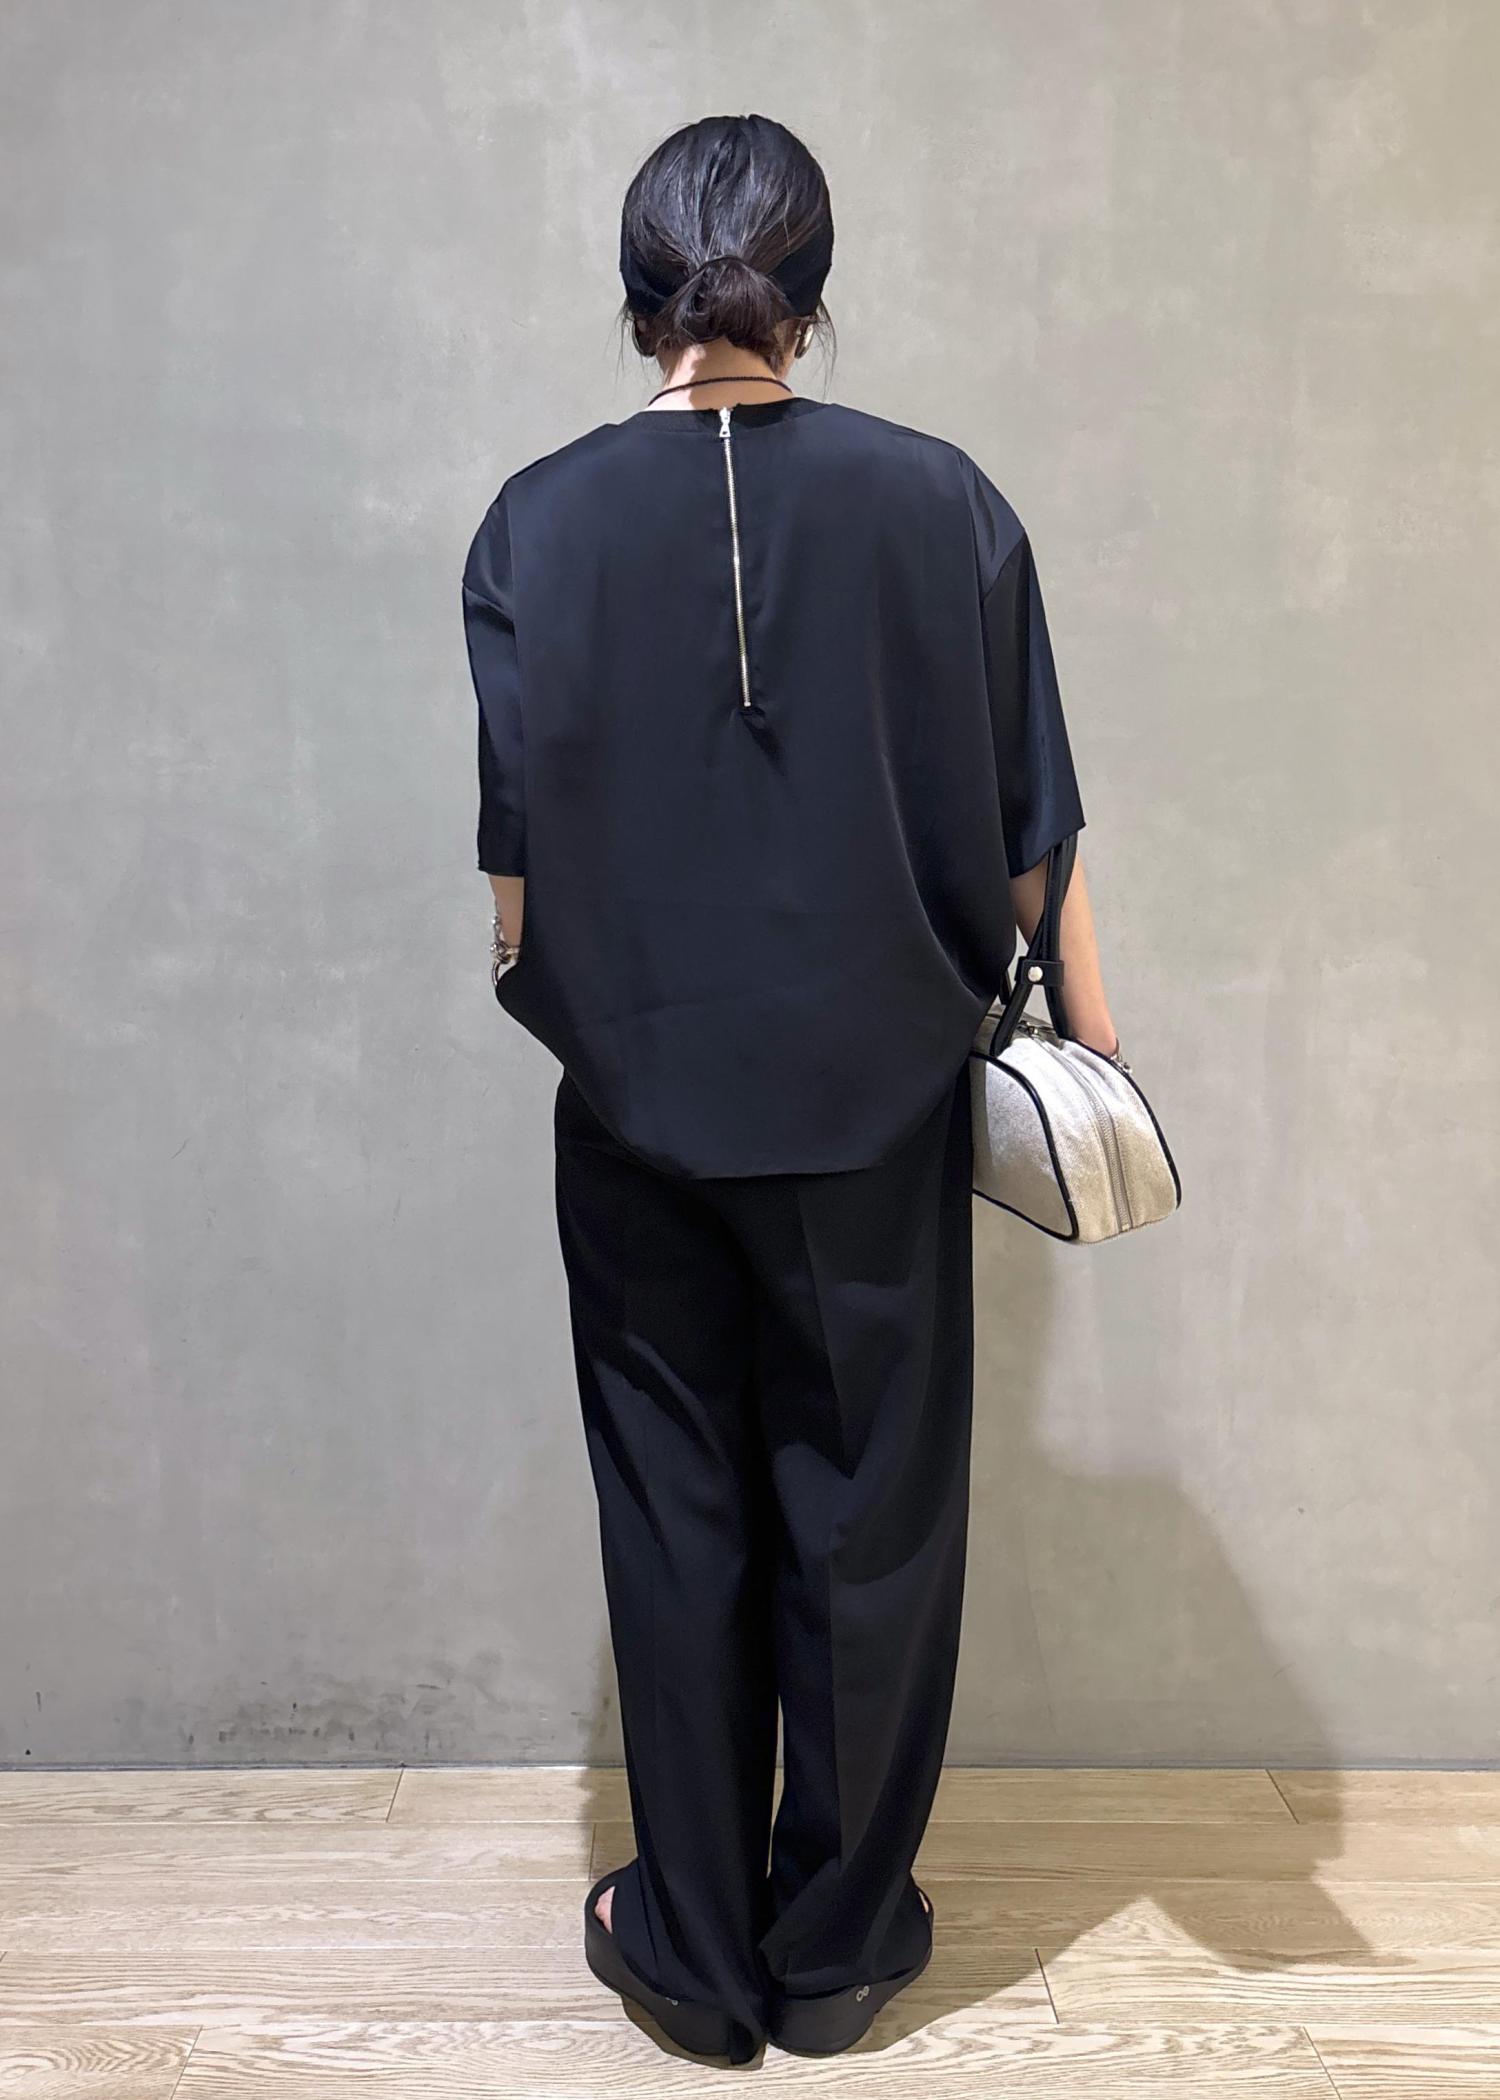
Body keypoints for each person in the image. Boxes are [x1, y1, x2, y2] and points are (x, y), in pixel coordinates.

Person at [461, 111, 1119, 2064]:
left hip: (638, 1112)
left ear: (636, 293)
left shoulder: (533, 525)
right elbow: (1038, 846)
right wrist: (1099, 1058)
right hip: (878, 1122)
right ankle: (834, 1954)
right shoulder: (946, 504)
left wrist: (592, 1003)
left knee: (678, 1514)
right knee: (869, 1526)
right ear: (809, 295)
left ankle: (690, 1955)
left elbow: (514, 889)